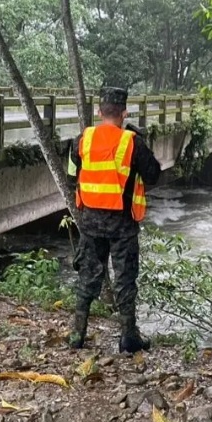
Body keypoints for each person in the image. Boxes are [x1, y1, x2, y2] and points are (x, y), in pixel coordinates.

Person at [67, 86, 162, 353]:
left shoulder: (82, 140)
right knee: (125, 280)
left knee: (87, 277)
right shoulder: (132, 142)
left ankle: (77, 336)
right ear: (124, 112)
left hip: (90, 223)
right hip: (122, 225)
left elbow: (73, 171)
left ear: (99, 112)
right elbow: (154, 176)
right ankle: (128, 339)